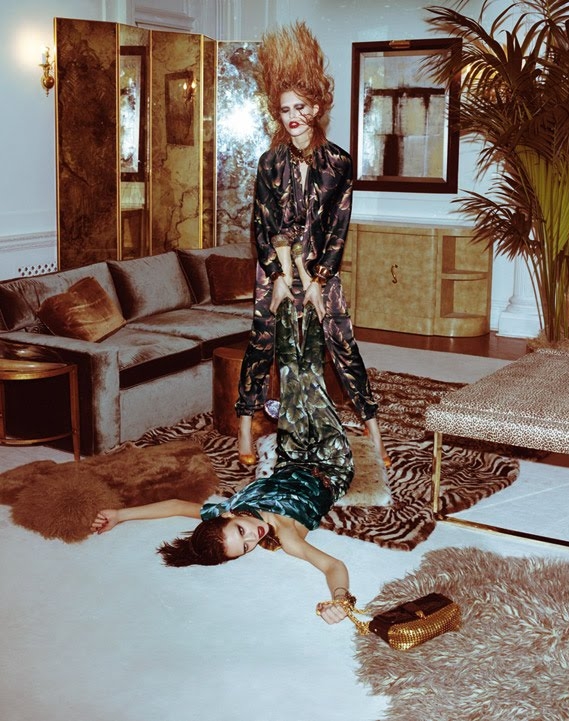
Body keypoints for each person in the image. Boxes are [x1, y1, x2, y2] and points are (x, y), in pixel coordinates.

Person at [91, 300, 357, 624]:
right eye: (245, 547)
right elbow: (333, 566)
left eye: (241, 532)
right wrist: (340, 600)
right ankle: (313, 314)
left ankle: (293, 305)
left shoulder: (224, 509)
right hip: (330, 464)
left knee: (289, 378)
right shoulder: (286, 537)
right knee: (307, 381)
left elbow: (175, 506)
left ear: (229, 516)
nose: (253, 537)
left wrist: (120, 515)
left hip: (290, 458)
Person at [235, 21, 389, 469]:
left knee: (343, 344)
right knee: (262, 343)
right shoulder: (269, 163)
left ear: (316, 107)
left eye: (300, 107)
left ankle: (374, 433)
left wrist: (319, 280)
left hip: (322, 270)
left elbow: (339, 227)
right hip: (275, 270)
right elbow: (262, 225)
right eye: (285, 109)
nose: (293, 116)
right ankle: (244, 428)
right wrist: (279, 277)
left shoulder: (338, 163)